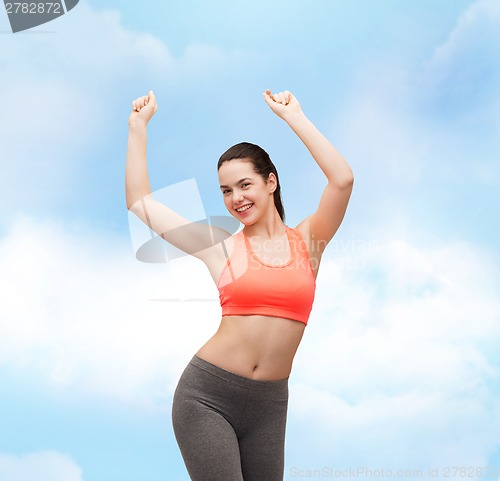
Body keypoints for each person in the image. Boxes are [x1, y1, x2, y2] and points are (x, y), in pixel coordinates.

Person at [125, 88, 354, 481]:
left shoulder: (309, 242)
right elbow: (140, 203)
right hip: (206, 396)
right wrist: (137, 128)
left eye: (244, 185)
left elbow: (342, 180)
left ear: (271, 182)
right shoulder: (220, 248)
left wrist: (294, 117)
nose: (235, 198)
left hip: (270, 404)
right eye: (226, 191)